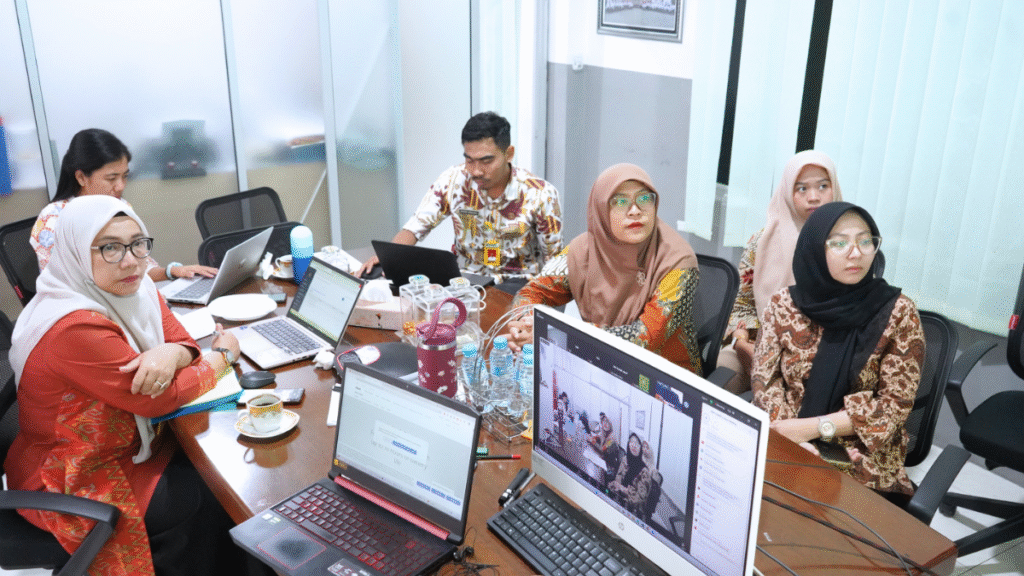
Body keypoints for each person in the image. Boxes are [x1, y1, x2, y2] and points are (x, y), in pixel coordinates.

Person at [6, 195, 259, 576]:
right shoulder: (73, 326)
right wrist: (222, 356)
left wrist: (173, 353)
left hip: (130, 441)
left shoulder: (135, 288)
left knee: (222, 470)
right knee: (207, 497)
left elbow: (184, 340)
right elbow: (160, 398)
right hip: (71, 473)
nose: (130, 261)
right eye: (110, 248)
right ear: (76, 252)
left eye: (138, 244)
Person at [751, 202, 924, 499]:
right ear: (814, 249)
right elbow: (764, 381)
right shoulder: (783, 305)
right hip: (785, 435)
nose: (856, 253)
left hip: (860, 454)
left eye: (865, 241)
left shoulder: (898, 313)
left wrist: (813, 430)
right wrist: (792, 438)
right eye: (840, 243)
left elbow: (893, 406)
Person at [507, 163, 702, 375]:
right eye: (620, 201)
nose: (635, 211)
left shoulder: (679, 263)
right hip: (597, 361)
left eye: (645, 198)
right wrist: (525, 326)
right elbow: (531, 292)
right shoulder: (583, 250)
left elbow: (644, 338)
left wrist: (552, 334)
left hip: (665, 377)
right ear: (600, 209)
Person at [357, 112, 563, 285]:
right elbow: (416, 226)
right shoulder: (454, 181)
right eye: (469, 160)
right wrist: (388, 258)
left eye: (486, 161)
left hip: (518, 283)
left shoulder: (540, 194)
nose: (476, 171)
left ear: (509, 154)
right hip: (465, 279)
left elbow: (554, 263)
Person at [718, 151, 842, 394]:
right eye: (801, 188)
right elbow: (742, 304)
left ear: (834, 188)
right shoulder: (761, 242)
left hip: (819, 352)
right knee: (724, 369)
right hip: (760, 342)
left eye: (823, 186)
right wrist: (741, 341)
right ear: (786, 192)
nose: (813, 197)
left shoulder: (849, 244)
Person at [30, 128, 216, 281]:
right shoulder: (53, 219)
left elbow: (139, 267)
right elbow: (62, 287)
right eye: (111, 178)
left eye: (125, 176)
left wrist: (172, 272)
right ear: (81, 177)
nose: (120, 186)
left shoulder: (120, 207)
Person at [608, 433, 653, 517]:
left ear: (641, 448)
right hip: (617, 499)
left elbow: (640, 499)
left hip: (631, 510)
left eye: (637, 443)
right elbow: (619, 476)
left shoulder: (645, 472)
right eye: (631, 442)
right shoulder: (625, 460)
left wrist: (622, 489)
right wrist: (617, 486)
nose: (634, 445)